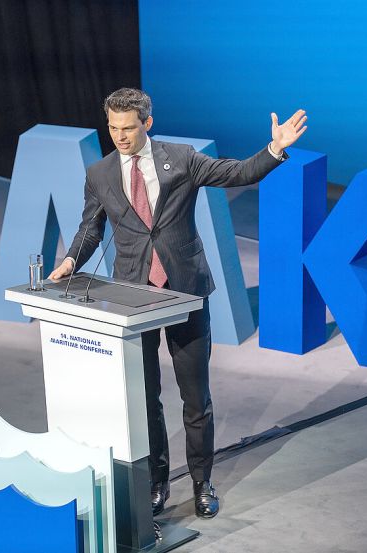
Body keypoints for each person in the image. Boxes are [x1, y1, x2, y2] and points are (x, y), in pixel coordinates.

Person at [49, 88, 307, 518]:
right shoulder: (100, 173)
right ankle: (156, 483)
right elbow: (90, 227)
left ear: (147, 123)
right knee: (146, 399)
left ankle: (202, 482)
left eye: (128, 128)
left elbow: (237, 173)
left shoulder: (181, 158)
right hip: (134, 298)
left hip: (185, 291)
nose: (120, 137)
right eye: (113, 128)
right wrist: (72, 259)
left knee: (195, 397)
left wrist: (274, 150)